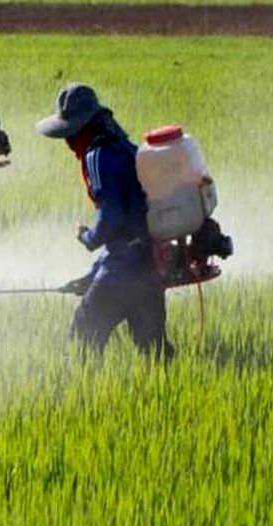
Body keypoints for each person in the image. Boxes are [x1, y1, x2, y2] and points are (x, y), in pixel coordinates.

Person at [37, 83, 174, 359]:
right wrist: (91, 276)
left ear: (78, 130)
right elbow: (127, 231)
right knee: (156, 354)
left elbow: (112, 220)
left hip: (123, 272)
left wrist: (87, 237)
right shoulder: (123, 146)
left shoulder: (97, 156)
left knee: (81, 344)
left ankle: (81, 399)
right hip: (147, 267)